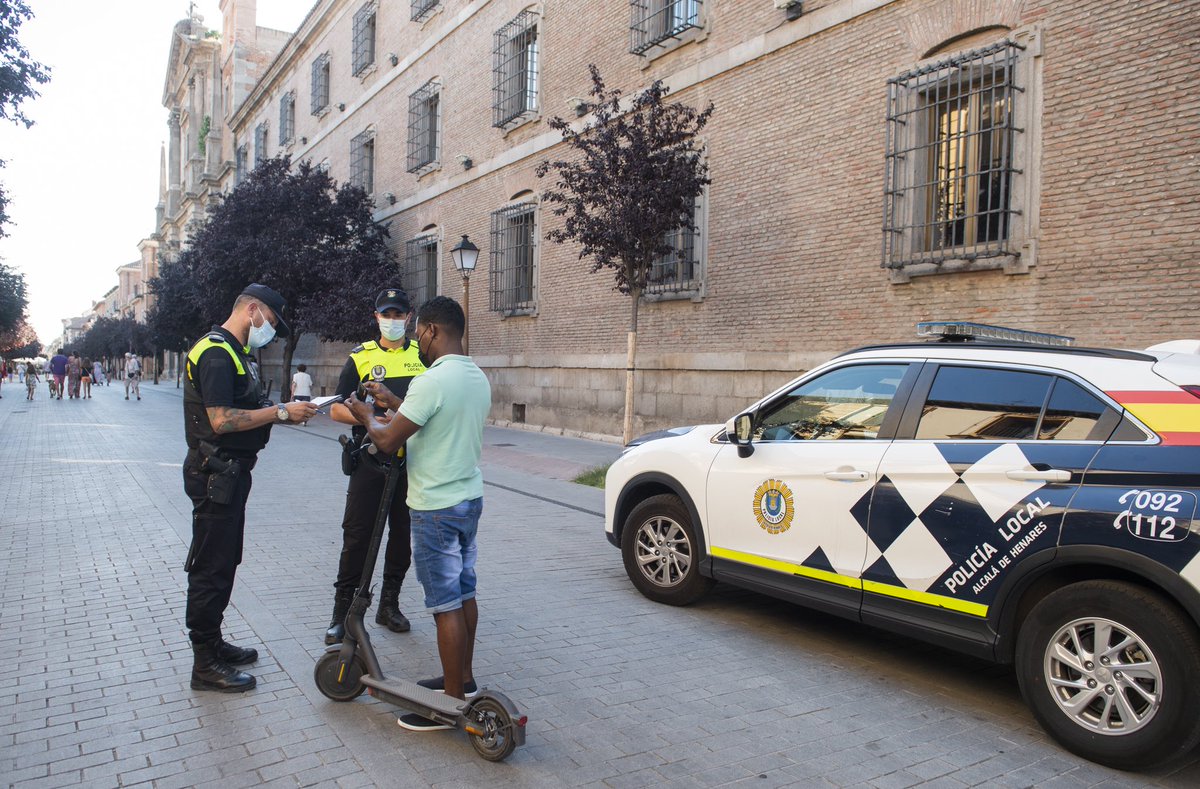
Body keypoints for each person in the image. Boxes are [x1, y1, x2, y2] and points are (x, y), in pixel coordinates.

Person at [347, 296, 491, 731]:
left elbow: (389, 440)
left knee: (444, 604)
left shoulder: (432, 380)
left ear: (430, 330)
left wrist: (366, 414)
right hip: (468, 500)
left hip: (436, 508)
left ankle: (449, 705)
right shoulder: (475, 376)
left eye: (418, 333)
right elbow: (429, 418)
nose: (415, 341)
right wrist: (392, 399)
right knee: (464, 592)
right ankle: (461, 680)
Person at [181, 283, 318, 692]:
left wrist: (284, 414)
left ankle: (214, 643)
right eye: (271, 322)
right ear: (253, 310)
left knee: (225, 563)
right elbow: (221, 419)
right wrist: (279, 412)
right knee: (210, 569)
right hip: (214, 475)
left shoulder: (236, 353)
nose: (271, 332)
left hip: (231, 474)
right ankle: (204, 663)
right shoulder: (216, 353)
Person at [323, 288, 426, 645]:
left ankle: (389, 605)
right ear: (376, 317)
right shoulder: (361, 357)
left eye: (399, 315)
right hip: (370, 460)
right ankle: (342, 615)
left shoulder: (423, 355)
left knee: (401, 539)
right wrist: (372, 420)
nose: (393, 321)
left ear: (409, 318)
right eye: (387, 315)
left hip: (412, 462)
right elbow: (337, 407)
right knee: (357, 537)